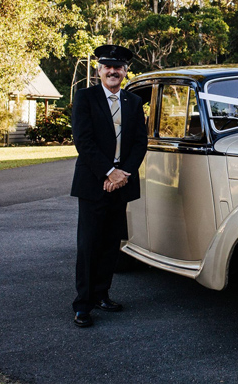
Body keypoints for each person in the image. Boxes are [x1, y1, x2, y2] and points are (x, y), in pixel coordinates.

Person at [70, 44, 148, 327]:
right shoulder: (85, 97)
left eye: (118, 67)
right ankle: (83, 304)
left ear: (125, 72)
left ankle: (102, 294)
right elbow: (83, 141)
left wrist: (123, 174)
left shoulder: (133, 102)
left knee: (111, 244)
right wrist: (109, 172)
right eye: (107, 67)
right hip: (94, 183)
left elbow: (140, 142)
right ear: (99, 70)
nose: (113, 71)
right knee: (89, 244)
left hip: (121, 182)